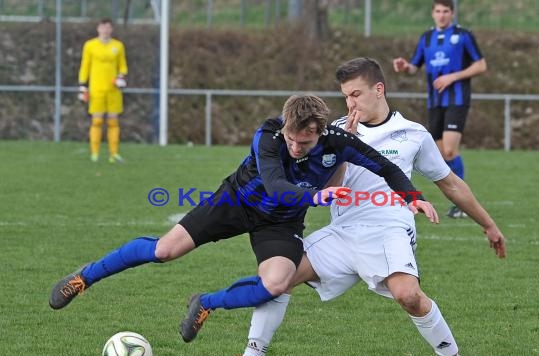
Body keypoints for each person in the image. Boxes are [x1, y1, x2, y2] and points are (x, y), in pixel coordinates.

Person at [205, 58, 506, 356]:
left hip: (389, 228)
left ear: (379, 89)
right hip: (343, 230)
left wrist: (488, 224)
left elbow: (450, 183)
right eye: (346, 96)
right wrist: (339, 153)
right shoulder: (328, 131)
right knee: (281, 277)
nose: (350, 103)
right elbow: (326, 190)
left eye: (356, 94)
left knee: (408, 296)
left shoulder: (412, 134)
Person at [49, 95, 437, 321]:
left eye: (304, 143)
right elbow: (277, 185)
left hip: (281, 223)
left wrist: (412, 196)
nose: (295, 147)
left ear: (320, 133)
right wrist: (317, 197)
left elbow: (384, 166)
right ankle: (85, 277)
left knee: (275, 284)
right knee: (164, 251)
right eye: (291, 138)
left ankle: (206, 303)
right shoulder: (268, 136)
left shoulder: (337, 142)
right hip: (233, 204)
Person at [392, 0, 487, 218]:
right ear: (433, 13)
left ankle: (462, 206)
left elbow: (481, 65)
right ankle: (459, 200)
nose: (442, 15)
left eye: (446, 11)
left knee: (451, 150)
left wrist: (453, 76)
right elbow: (414, 67)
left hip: (457, 100)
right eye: (438, 11)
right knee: (443, 155)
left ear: (452, 14)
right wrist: (404, 67)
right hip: (435, 103)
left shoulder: (463, 36)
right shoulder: (426, 38)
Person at [78, 18, 128, 163]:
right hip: (96, 89)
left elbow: (123, 66)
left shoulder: (118, 46)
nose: (105, 30)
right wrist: (82, 85)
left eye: (108, 27)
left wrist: (120, 77)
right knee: (97, 121)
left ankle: (114, 154)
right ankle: (95, 153)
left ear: (111, 29)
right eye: (103, 27)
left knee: (113, 122)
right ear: (98, 28)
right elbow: (85, 65)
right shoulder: (90, 45)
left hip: (113, 90)